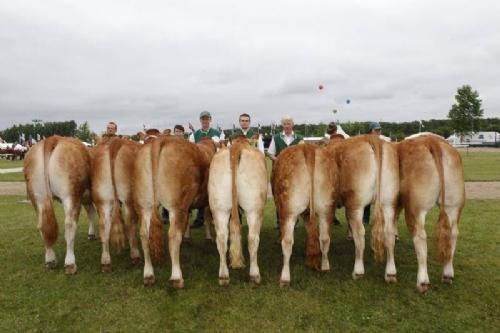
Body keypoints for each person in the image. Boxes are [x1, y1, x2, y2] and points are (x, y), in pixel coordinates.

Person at [268, 115, 304, 228]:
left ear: (293, 124)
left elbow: (304, 154)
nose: (287, 126)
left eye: (289, 123)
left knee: (295, 195)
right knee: (278, 196)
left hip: (296, 173)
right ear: (282, 125)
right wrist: (279, 160)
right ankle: (279, 221)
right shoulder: (276, 138)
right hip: (279, 173)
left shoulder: (299, 138)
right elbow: (270, 153)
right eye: (285, 124)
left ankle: (295, 220)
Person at [189, 111, 221, 228]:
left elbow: (222, 150)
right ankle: (199, 218)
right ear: (200, 120)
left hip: (214, 167)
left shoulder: (217, 133)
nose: (205, 121)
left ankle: (215, 217)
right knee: (199, 192)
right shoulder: (194, 135)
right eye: (203, 119)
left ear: (210, 120)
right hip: (199, 169)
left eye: (207, 119)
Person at [362, 121, 382, 224]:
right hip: (366, 172)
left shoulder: (380, 142)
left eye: (379, 130)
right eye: (376, 130)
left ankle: (366, 219)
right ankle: (364, 219)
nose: (378, 132)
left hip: (377, 171)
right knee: (365, 195)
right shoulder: (364, 142)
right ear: (371, 131)